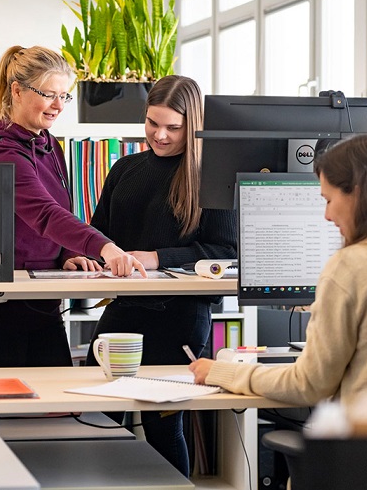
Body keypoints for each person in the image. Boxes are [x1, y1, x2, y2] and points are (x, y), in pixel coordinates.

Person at [189, 133, 367, 407]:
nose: (326, 215)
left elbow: (308, 385)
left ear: (358, 194)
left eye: (328, 200)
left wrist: (222, 371)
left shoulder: (351, 265)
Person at [83, 75, 237, 476]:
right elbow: (99, 235)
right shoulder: (125, 169)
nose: (160, 135)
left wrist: (156, 257)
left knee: (163, 428)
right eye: (153, 123)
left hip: (181, 317)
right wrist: (82, 257)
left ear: (194, 123)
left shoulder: (210, 178)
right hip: (124, 311)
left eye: (174, 127)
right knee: (95, 418)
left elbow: (226, 252)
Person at [0, 45, 145, 368]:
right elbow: (44, 214)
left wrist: (68, 254)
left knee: (62, 406)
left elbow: (58, 212)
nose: (58, 106)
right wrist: (106, 248)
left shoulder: (49, 144)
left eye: (65, 95)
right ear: (17, 91)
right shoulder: (0, 154)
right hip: (1, 310)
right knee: (12, 414)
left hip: (42, 303)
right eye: (49, 94)